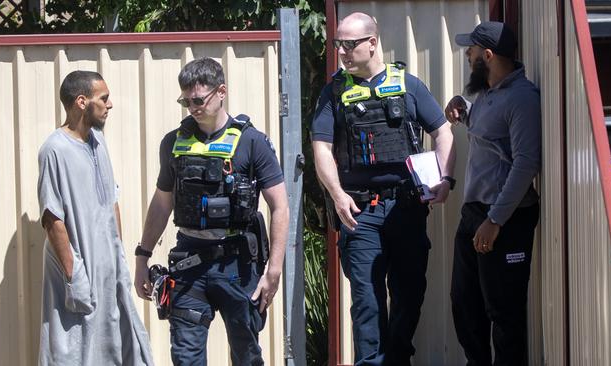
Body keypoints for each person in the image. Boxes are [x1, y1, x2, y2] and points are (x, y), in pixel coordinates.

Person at [311, 12, 456, 366]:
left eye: (350, 44)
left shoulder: (407, 84)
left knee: (409, 293)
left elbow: (443, 132)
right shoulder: (334, 92)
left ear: (373, 43)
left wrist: (446, 178)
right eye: (338, 44)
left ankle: (398, 358)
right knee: (367, 300)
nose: (342, 51)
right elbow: (321, 148)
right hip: (360, 214)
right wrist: (337, 194)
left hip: (406, 209)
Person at [133, 57, 289, 366]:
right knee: (186, 358)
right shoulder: (173, 143)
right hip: (189, 262)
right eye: (186, 100)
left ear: (221, 92)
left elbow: (280, 206)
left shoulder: (252, 142)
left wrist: (274, 270)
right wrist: (142, 257)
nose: (192, 106)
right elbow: (162, 203)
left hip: (239, 265)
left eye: (198, 99)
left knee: (246, 355)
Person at [37, 70, 153, 365]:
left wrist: (118, 255)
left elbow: (111, 200)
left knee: (117, 343)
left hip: (107, 266)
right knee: (74, 349)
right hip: (78, 271)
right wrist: (73, 275)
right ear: (81, 102)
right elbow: (53, 218)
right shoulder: (55, 150)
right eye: (103, 98)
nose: (109, 104)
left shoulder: (99, 142)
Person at [445, 21, 541, 366]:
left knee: (503, 312)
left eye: (470, 53)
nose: (467, 58)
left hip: (505, 218)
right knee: (464, 303)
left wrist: (495, 220)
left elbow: (526, 163)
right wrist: (463, 110)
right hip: (474, 214)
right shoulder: (486, 94)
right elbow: (491, 138)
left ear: (487, 55)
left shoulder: (522, 98)